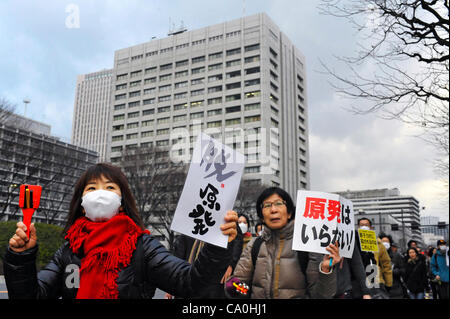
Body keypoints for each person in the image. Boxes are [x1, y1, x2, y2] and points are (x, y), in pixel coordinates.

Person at [4, 163, 238, 299]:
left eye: (110, 187)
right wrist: (20, 258)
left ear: (122, 200)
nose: (100, 193)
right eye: (92, 188)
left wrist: (217, 243)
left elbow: (190, 283)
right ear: (81, 202)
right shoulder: (69, 250)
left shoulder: (142, 247)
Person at [227, 187, 339, 299]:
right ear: (261, 217)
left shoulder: (305, 245)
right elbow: (239, 290)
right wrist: (233, 286)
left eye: (279, 203)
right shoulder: (254, 245)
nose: (273, 210)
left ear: (289, 212)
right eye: (267, 205)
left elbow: (321, 295)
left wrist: (325, 270)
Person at [352, 218, 393, 299]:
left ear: (371, 227)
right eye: (361, 225)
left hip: (376, 280)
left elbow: (386, 264)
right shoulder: (354, 242)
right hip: (359, 282)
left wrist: (388, 283)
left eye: (366, 225)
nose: (364, 227)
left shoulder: (378, 244)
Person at [334, 234, 372, 299]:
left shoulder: (346, 233)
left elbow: (357, 264)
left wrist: (366, 291)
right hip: (317, 290)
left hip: (343, 290)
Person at [380, 233, 407, 299]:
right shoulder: (375, 255)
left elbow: (403, 270)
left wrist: (392, 271)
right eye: (383, 241)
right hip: (381, 287)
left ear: (390, 243)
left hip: (395, 288)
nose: (385, 243)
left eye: (387, 241)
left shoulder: (397, 255)